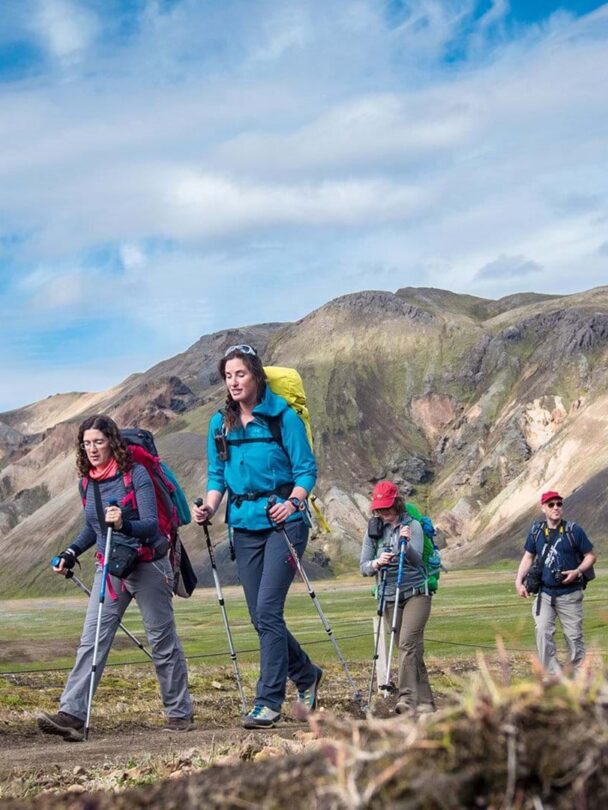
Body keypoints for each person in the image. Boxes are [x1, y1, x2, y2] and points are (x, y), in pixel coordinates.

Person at [38, 414, 193, 741]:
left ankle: (179, 713)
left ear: (112, 442)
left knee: (161, 640)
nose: (92, 449)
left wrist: (123, 524)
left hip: (149, 564)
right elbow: (93, 528)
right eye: (87, 443)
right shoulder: (87, 482)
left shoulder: (136, 474)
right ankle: (72, 714)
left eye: (98, 441)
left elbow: (151, 524)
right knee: (92, 640)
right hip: (110, 568)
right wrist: (70, 552)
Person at [193, 344, 321, 729]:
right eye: (228, 376)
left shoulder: (283, 418)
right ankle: (307, 674)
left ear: (256, 376)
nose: (233, 382)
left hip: (284, 523)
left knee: (267, 611)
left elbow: (306, 469)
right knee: (258, 616)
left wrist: (294, 503)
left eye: (241, 374)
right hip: (243, 525)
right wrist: (210, 507)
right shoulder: (220, 424)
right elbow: (217, 474)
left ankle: (268, 702)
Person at [360, 480, 436, 717]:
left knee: (407, 645)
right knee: (412, 653)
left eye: (387, 507)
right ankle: (427, 705)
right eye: (379, 508)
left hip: (416, 593)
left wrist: (405, 546)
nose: (384, 512)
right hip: (389, 595)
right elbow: (363, 567)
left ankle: (406, 699)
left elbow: (418, 561)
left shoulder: (412, 526)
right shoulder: (373, 531)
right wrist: (377, 563)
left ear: (397, 503)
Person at [515, 490, 597, 678]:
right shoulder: (536, 531)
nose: (556, 507)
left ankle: (578, 678)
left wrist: (577, 571)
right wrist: (518, 581)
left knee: (574, 636)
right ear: (543, 508)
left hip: (570, 593)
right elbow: (528, 556)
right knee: (542, 631)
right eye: (551, 504)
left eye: (559, 504)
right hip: (544, 593)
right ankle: (551, 677)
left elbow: (591, 556)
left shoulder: (574, 531)